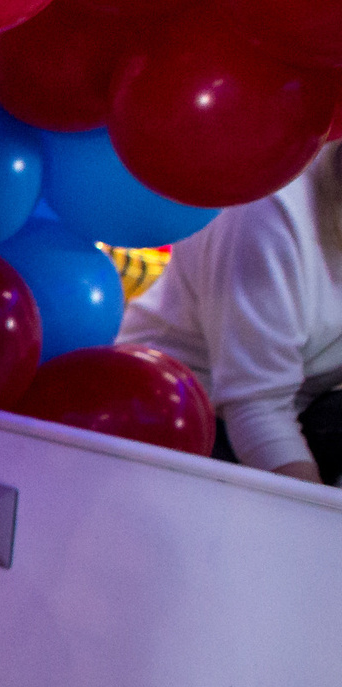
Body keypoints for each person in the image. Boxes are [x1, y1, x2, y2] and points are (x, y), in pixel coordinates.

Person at [118, 143, 342, 486]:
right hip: (173, 412)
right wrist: (314, 525)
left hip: (292, 409)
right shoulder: (271, 209)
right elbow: (256, 409)